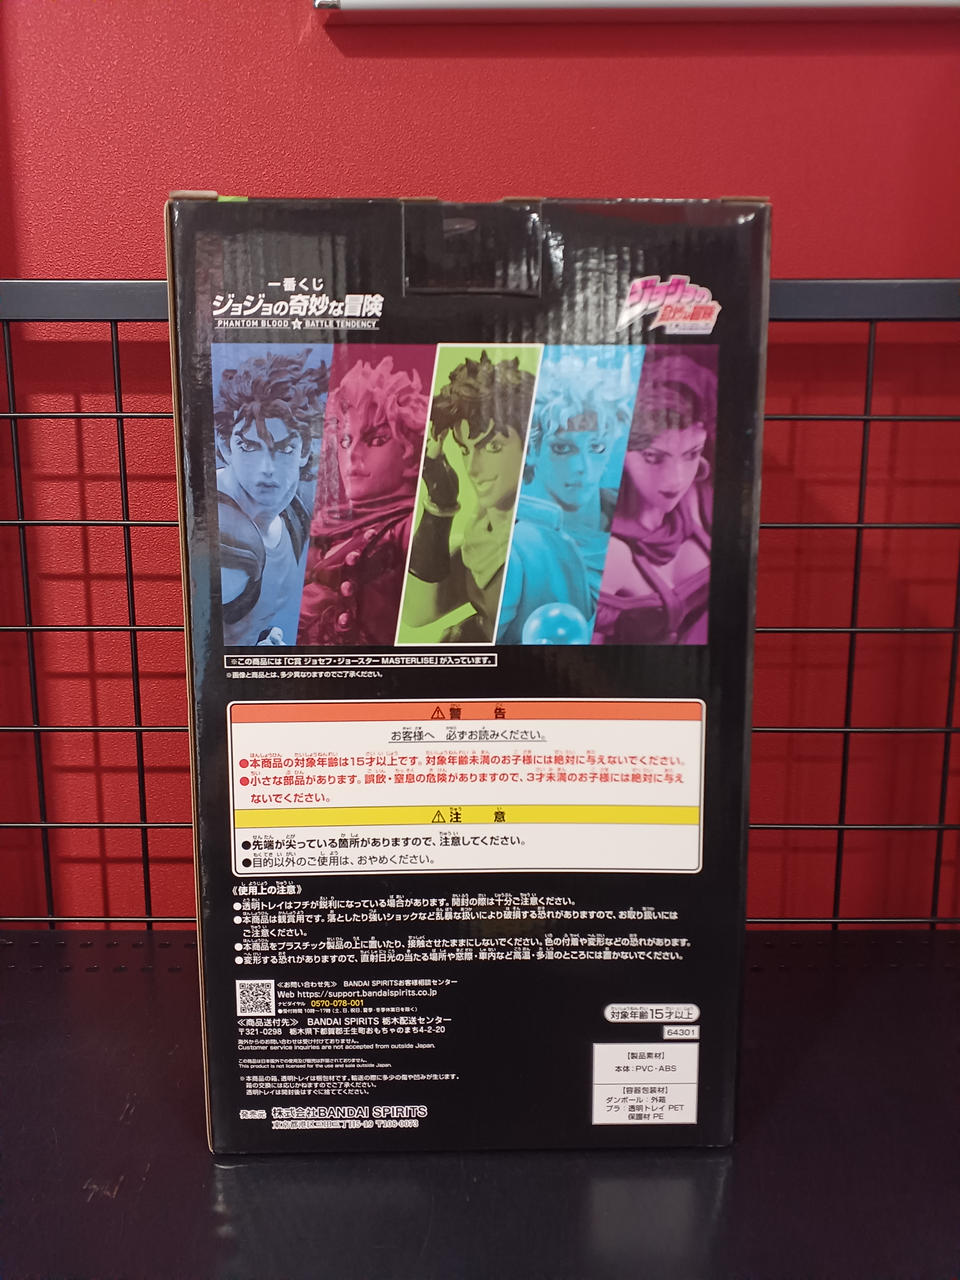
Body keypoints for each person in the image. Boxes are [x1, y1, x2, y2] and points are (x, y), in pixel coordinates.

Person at [496, 350, 637, 644]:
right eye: (562, 448)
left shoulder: (638, 523)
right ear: (532, 450)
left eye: (596, 447)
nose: (582, 467)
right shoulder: (518, 543)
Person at [400, 350, 536, 643]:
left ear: (528, 444)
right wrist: (440, 502)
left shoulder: (535, 540)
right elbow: (417, 611)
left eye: (493, 447)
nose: (474, 468)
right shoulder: (484, 533)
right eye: (465, 449)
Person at [296, 354, 429, 646]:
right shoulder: (328, 524)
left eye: (376, 440)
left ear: (412, 451)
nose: (353, 456)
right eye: (345, 441)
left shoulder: (410, 524)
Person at [593, 350, 716, 646]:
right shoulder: (607, 552)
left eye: (692, 454)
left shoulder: (699, 499)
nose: (676, 479)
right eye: (652, 457)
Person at [214, 348, 327, 645]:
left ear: (304, 450)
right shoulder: (221, 535)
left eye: (284, 448)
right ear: (226, 446)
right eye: (249, 447)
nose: (267, 468)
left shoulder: (296, 512)